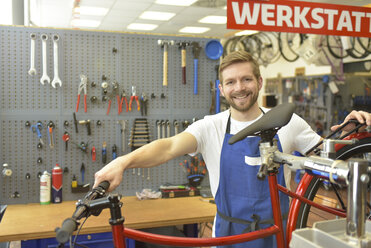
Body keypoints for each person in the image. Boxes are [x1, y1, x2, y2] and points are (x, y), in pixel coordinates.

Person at [93, 51, 371, 248]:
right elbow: (167, 147)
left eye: (246, 79)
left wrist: (347, 130)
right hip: (228, 235)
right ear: (221, 89)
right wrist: (123, 162)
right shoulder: (210, 127)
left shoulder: (288, 122)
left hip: (279, 233)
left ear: (259, 82)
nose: (240, 88)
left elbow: (327, 158)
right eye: (231, 82)